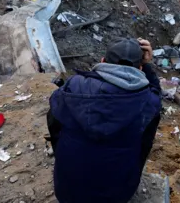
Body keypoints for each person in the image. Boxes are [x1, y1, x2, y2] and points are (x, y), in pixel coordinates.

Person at [48, 38, 162, 203]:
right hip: (117, 197)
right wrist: (148, 68)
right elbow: (145, 144)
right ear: (140, 69)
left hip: (67, 193)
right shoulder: (147, 102)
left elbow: (54, 123)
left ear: (102, 61)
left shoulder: (73, 86)